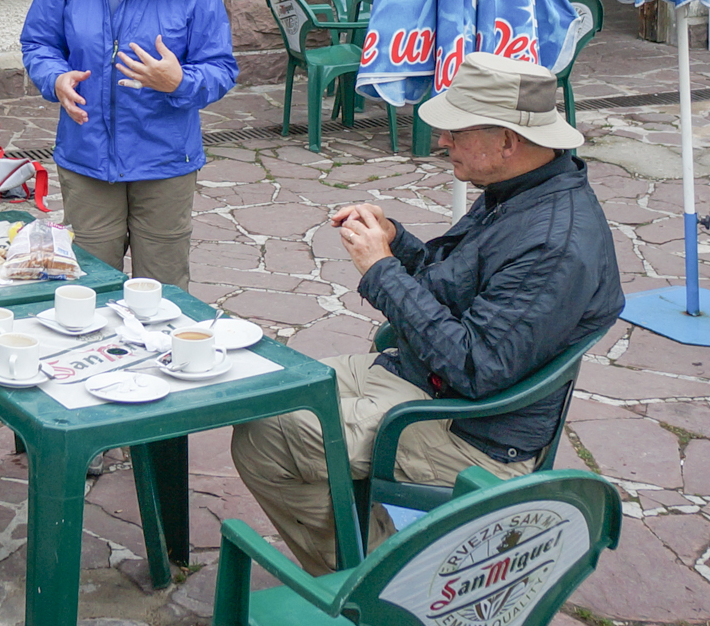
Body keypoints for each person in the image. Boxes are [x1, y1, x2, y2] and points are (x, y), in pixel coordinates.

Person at [231, 52, 623, 576]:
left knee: (265, 435)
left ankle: (369, 587)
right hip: (422, 377)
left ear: (507, 140)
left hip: (472, 431)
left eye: (456, 132)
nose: (442, 142)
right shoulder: (523, 190)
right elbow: (460, 285)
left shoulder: (554, 244)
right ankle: (373, 560)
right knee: (269, 384)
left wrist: (381, 269)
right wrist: (398, 240)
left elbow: (475, 368)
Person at [19, 0, 237, 291]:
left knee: (163, 295)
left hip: (163, 161)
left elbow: (220, 67)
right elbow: (38, 43)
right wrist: (55, 78)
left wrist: (178, 81)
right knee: (87, 291)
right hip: (86, 158)